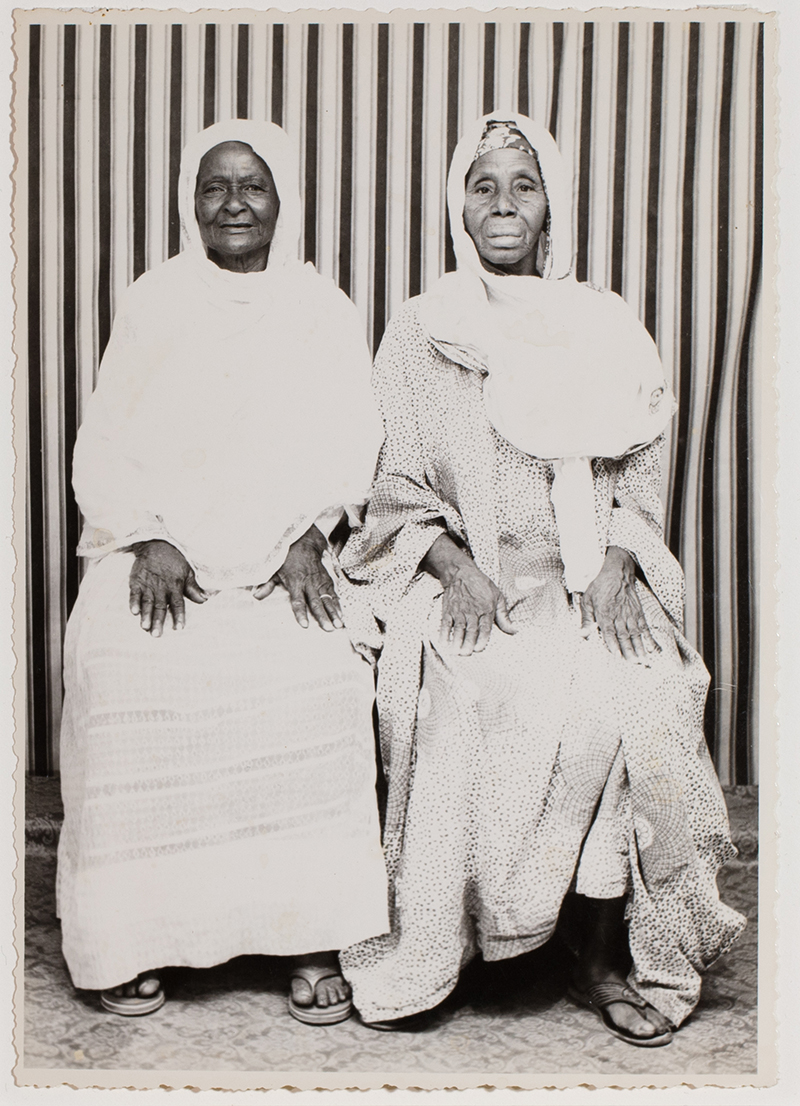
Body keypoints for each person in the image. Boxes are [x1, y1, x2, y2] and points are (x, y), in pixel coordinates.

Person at [338, 114, 746, 1046]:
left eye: (523, 185)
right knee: (481, 692)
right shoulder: (420, 329)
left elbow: (640, 471)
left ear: (551, 202)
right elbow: (395, 483)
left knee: (638, 691)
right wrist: (454, 567)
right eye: (483, 186)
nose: (503, 205)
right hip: (473, 579)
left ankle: (603, 953)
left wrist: (613, 568)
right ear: (457, 206)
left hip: (590, 573)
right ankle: (457, 943)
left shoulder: (601, 323)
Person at [57, 120, 389, 1023]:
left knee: (316, 674)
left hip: (284, 552)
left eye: (254, 185)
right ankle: (133, 939)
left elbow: (351, 441)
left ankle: (310, 932)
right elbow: (107, 442)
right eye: (215, 186)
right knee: (126, 664)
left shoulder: (324, 308)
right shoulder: (154, 301)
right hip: (164, 551)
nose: (234, 203)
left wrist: (309, 536)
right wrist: (148, 534)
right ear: (188, 201)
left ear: (285, 199)